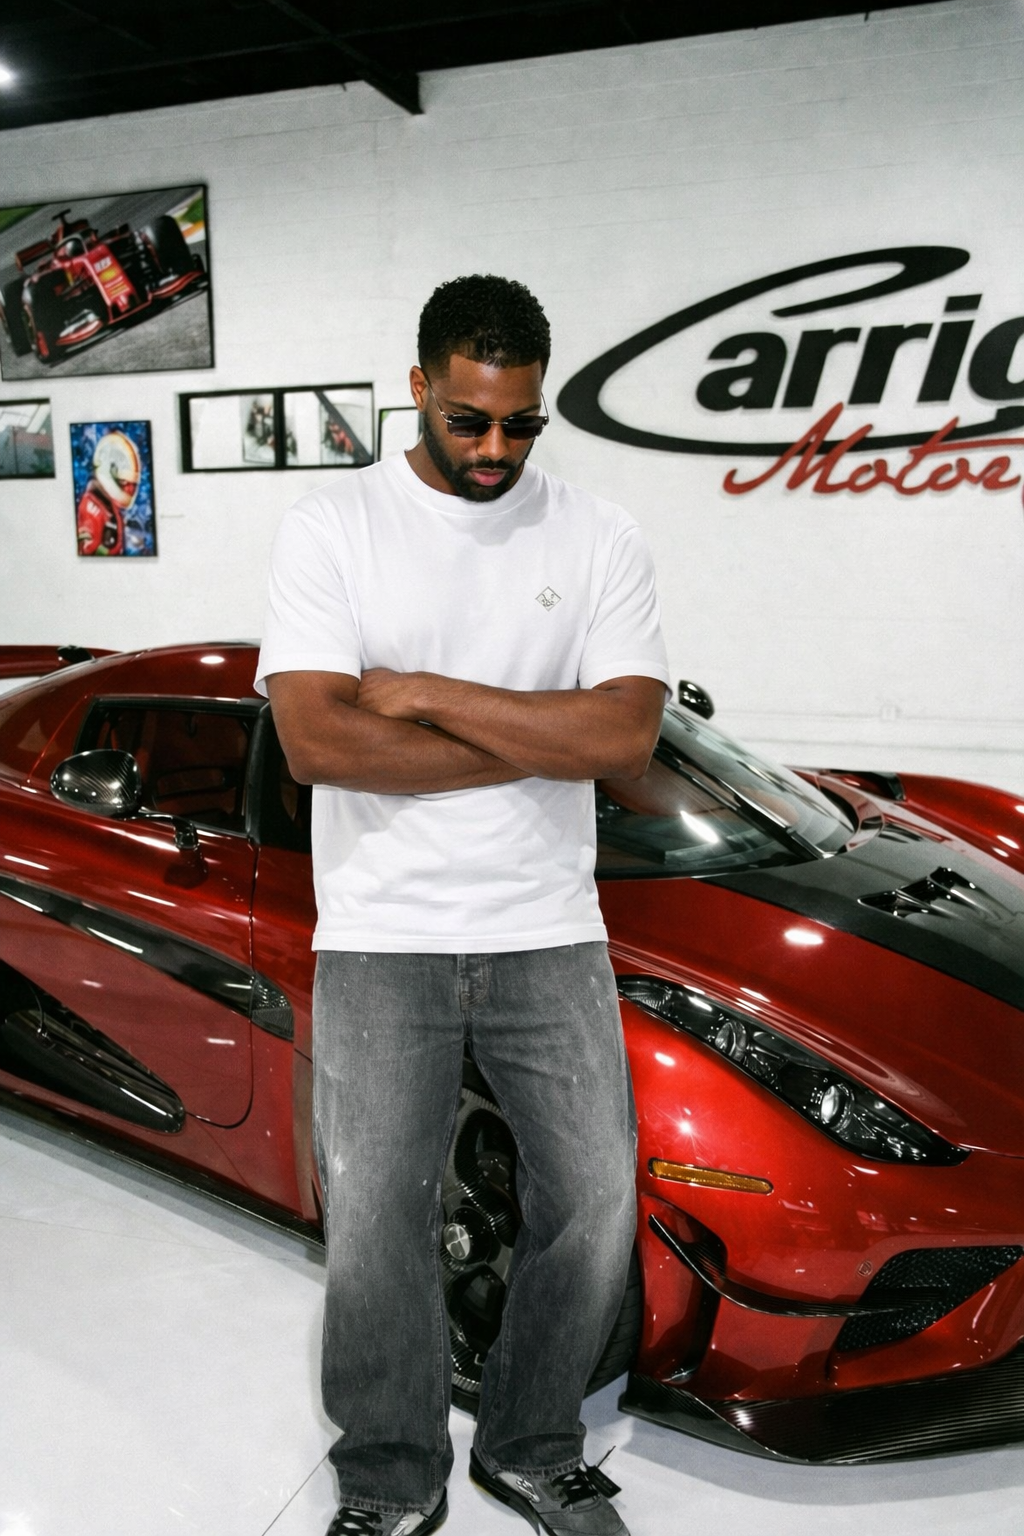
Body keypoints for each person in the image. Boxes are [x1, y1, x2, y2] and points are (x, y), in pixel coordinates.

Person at [255, 274, 670, 1536]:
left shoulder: (598, 534)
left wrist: (429, 691)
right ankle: (390, 1476)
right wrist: (544, 739)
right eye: (469, 419)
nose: (496, 448)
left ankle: (532, 1445)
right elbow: (320, 743)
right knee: (376, 1223)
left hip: (549, 928)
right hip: (383, 933)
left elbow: (625, 735)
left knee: (594, 1201)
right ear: (420, 386)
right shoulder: (334, 526)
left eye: (523, 423)